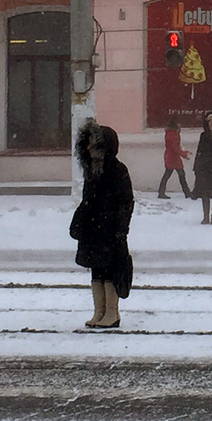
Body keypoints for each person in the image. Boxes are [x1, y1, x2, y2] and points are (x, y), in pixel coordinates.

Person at [70, 120, 133, 329]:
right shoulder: (91, 170)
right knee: (96, 269)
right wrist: (80, 221)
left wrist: (120, 229)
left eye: (92, 143)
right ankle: (100, 311)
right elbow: (88, 200)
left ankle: (112, 314)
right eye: (86, 142)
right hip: (93, 228)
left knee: (110, 270)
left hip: (109, 228)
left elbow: (126, 202)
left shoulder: (117, 169)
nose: (88, 147)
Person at [156, 115, 191, 199]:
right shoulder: (173, 134)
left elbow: (174, 147)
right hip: (173, 158)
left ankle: (161, 192)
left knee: (169, 174)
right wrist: (184, 155)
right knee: (180, 175)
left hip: (171, 157)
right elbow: (175, 147)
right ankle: (187, 192)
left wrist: (183, 153)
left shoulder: (170, 133)